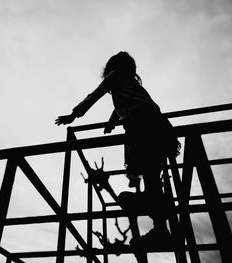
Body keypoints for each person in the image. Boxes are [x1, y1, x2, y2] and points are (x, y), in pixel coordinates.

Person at [55, 51, 180, 245]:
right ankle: (160, 227)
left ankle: (154, 218)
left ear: (112, 67)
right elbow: (121, 106)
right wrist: (111, 123)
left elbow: (96, 94)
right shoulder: (132, 84)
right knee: (152, 176)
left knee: (151, 175)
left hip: (142, 125)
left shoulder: (116, 75)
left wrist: (74, 114)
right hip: (156, 123)